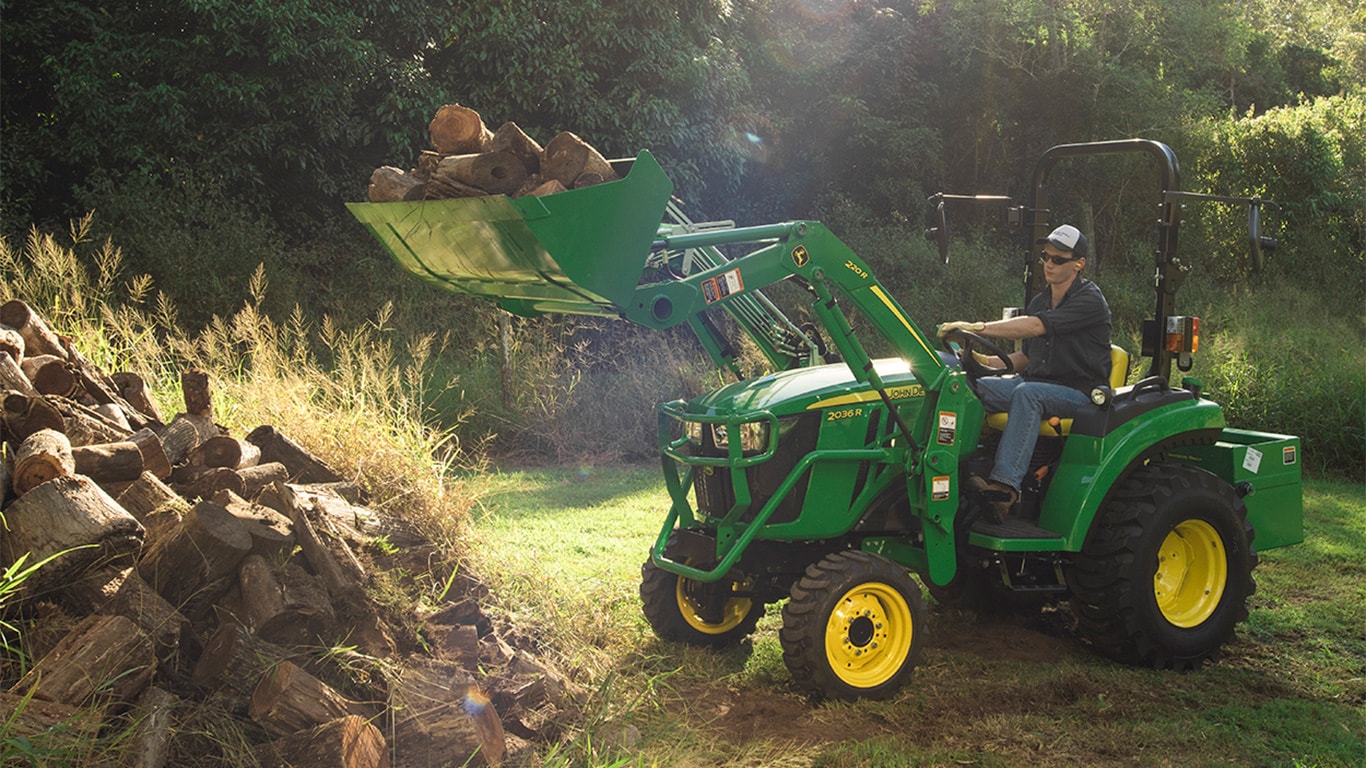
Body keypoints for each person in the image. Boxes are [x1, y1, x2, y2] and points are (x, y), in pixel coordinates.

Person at [937, 224, 1112, 521]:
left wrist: (979, 327)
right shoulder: (1041, 300)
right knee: (966, 385)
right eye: (1046, 256)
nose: (1049, 264)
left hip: (1080, 393)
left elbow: (1036, 327)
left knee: (1028, 394)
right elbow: (1025, 359)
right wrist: (979, 360)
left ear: (1079, 264)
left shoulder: (1090, 300)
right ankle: (951, 469)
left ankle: (1005, 489)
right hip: (1036, 381)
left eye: (1058, 259)